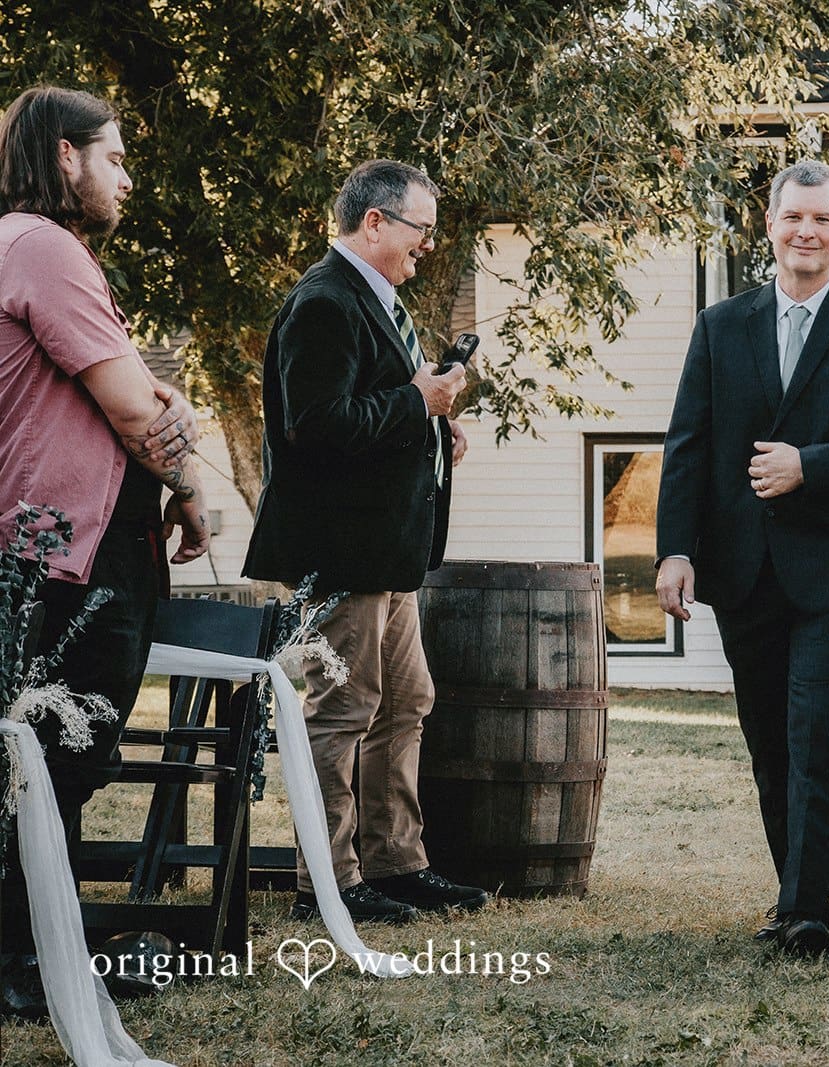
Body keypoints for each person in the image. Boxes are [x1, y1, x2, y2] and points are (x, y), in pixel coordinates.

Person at [655, 159, 829, 958]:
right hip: (743, 569)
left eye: (822, 219)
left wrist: (814, 462)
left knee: (816, 731)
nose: (806, 231)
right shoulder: (719, 326)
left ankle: (808, 910)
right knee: (769, 740)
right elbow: (688, 446)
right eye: (793, 217)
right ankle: (794, 889)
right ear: (769, 227)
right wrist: (675, 548)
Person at [0, 85, 210, 1014]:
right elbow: (136, 405)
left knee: (48, 758)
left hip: (56, 547)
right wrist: (192, 480)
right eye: (115, 156)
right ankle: (30, 967)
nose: (128, 175)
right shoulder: (44, 246)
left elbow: (136, 395)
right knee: (57, 755)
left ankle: (38, 954)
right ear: (66, 158)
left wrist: (170, 411)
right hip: (62, 554)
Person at [243, 159, 486, 924]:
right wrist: (417, 400)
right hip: (343, 551)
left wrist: (435, 427)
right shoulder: (324, 302)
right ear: (373, 222)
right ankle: (331, 877)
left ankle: (396, 861)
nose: (429, 245)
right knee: (344, 710)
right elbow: (313, 426)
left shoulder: (377, 302)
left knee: (406, 702)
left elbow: (377, 413)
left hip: (391, 554)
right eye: (421, 228)